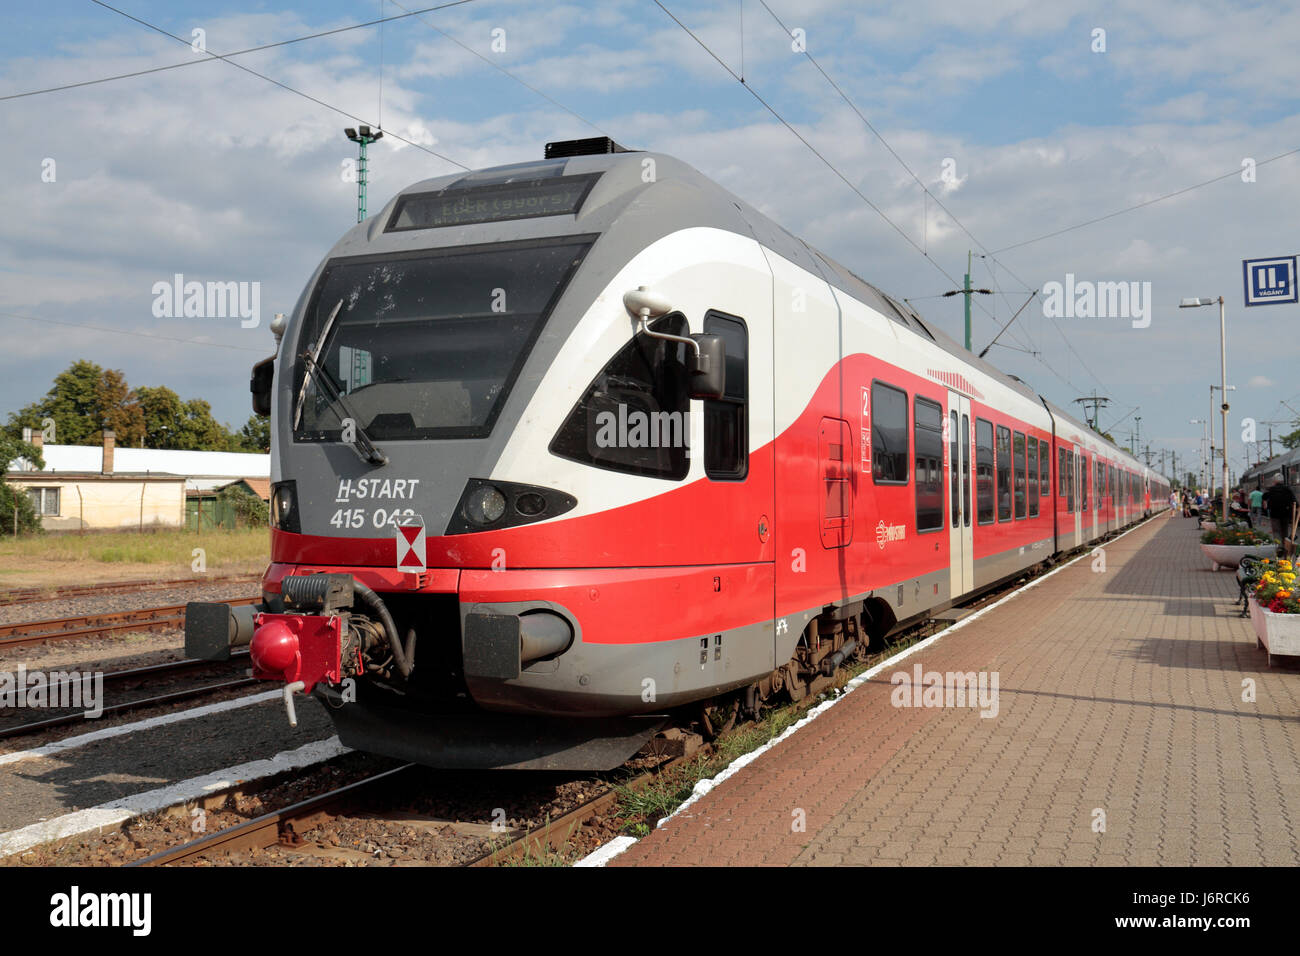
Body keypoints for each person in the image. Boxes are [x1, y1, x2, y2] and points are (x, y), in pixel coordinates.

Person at [1262, 477, 1297, 543]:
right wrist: (1297, 507)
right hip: (1285, 513)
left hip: (1274, 514)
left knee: (1276, 531)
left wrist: (1266, 503)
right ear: (1283, 481)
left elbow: (1264, 496)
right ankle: (1285, 545)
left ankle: (1279, 547)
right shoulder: (1287, 489)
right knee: (1284, 530)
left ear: (1274, 482)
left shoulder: (1271, 489)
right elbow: (1294, 500)